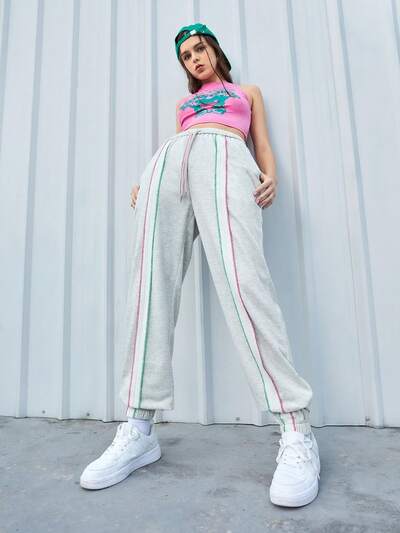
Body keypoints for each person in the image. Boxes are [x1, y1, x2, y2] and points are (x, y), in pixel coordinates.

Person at [80, 22, 321, 507]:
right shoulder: (184, 105)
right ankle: (139, 426)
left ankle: (296, 428)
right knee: (150, 286)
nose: (194, 58)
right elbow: (181, 146)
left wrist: (270, 175)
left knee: (244, 282)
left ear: (214, 49)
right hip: (170, 167)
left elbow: (261, 142)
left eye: (199, 49)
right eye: (186, 56)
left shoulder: (246, 93)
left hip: (227, 158)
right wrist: (148, 181)